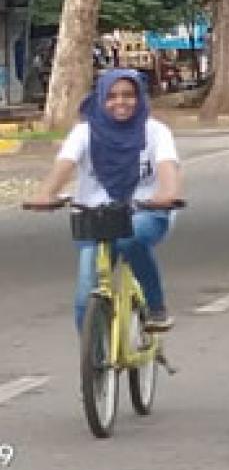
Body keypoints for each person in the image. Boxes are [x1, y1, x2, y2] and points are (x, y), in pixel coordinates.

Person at [27, 68, 182, 331]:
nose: (120, 102)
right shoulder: (84, 132)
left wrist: (167, 194)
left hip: (145, 211)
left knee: (129, 238)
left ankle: (155, 307)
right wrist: (45, 194)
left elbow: (168, 168)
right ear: (99, 98)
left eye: (128, 95)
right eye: (111, 96)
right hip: (95, 215)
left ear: (140, 98)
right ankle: (94, 353)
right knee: (85, 294)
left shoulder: (156, 132)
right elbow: (64, 165)